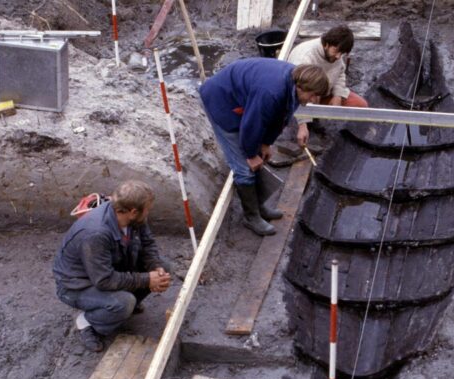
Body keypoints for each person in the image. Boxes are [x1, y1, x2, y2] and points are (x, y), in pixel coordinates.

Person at [199, 59, 329, 236]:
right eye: (313, 95)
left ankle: (259, 206)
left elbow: (280, 117)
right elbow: (251, 125)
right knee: (243, 167)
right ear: (301, 87)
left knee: (256, 150)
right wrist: (251, 154)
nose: (314, 100)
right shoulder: (270, 92)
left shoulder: (293, 85)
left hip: (242, 98)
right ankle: (251, 217)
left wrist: (266, 143)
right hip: (220, 100)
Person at [53, 180, 172, 352]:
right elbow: (104, 280)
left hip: (108, 270)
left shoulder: (134, 218)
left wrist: (156, 266)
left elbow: (147, 243)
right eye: (147, 209)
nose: (148, 212)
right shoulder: (95, 234)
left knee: (164, 268)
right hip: (77, 286)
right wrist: (146, 280)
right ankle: (88, 322)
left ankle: (120, 308)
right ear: (133, 211)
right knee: (123, 303)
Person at [287, 25, 369, 147]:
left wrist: (338, 95)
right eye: (336, 51)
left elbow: (340, 73)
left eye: (342, 53)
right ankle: (303, 121)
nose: (338, 57)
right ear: (326, 44)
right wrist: (303, 124)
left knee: (361, 106)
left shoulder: (336, 55)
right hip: (304, 96)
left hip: (323, 92)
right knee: (305, 121)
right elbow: (295, 93)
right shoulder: (305, 58)